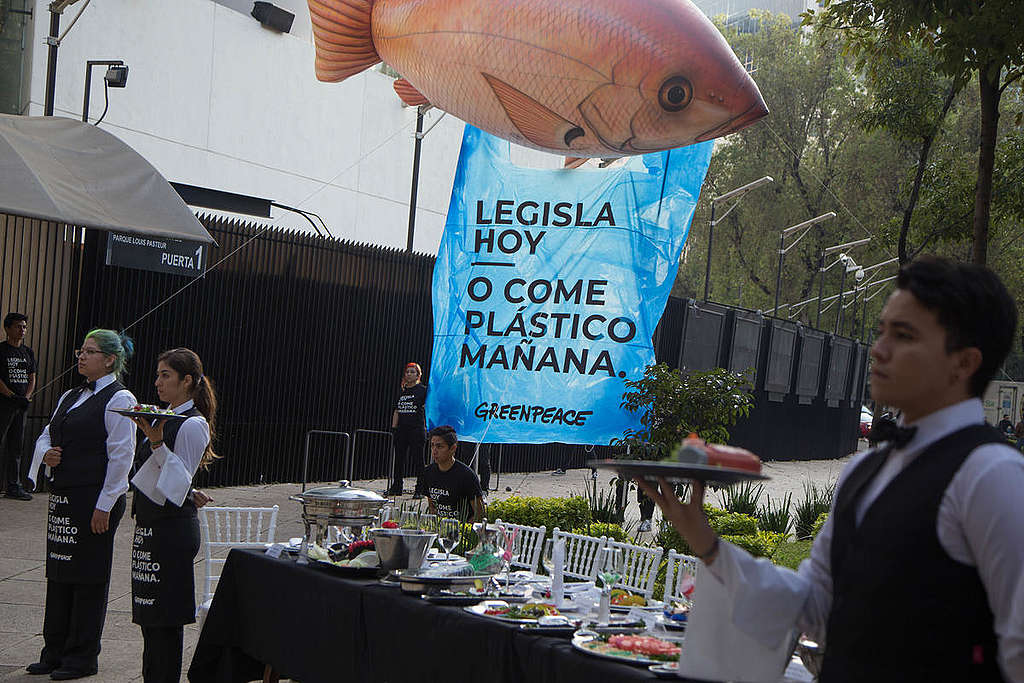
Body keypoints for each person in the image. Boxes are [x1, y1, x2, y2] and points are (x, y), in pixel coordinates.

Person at [638, 257, 1024, 681]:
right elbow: (814, 604)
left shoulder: (992, 475)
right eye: (881, 332)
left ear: (964, 363)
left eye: (904, 335)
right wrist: (706, 542)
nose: (878, 349)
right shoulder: (866, 468)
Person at [25, 329, 137, 680]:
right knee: (59, 574)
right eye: (81, 350)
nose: (81, 357)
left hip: (94, 498)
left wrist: (105, 505)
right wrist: (47, 454)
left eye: (90, 352)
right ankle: (53, 649)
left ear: (109, 359)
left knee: (88, 577)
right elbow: (47, 433)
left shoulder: (120, 398)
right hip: (64, 497)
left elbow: (122, 457)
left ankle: (82, 656)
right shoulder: (71, 394)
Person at [128, 348, 217, 683]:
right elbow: (171, 481)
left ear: (187, 380)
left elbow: (179, 479)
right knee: (150, 621)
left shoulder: (193, 423)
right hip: (150, 525)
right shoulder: (164, 416)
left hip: (172, 531)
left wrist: (155, 443)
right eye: (158, 374)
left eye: (166, 375)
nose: (158, 382)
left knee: (165, 622)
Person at [0, 312, 36, 500]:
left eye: (24, 327)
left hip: (21, 406)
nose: (22, 330)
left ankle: (14, 486)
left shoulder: (28, 352)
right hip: (4, 404)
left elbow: (32, 377)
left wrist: (26, 397)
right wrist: (12, 395)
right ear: (7, 329)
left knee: (16, 446)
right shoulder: (1, 350)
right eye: (18, 326)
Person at [416, 425, 485, 522]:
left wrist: (464, 530)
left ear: (453, 448)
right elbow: (432, 507)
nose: (434, 451)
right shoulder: (428, 472)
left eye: (440, 446)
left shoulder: (467, 475)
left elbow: (480, 513)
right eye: (432, 445)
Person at [388, 362, 427, 497]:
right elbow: (397, 410)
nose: (409, 374)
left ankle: (420, 489)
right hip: (402, 429)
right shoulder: (401, 391)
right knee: (398, 459)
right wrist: (394, 428)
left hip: (416, 429)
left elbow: (429, 408)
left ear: (418, 374)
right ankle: (397, 486)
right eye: (407, 372)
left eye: (412, 372)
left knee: (418, 460)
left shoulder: (423, 390)